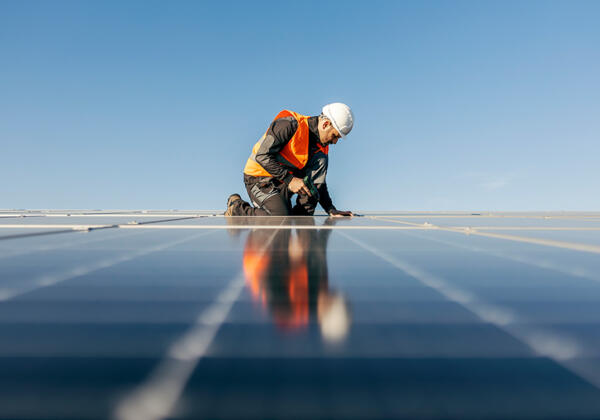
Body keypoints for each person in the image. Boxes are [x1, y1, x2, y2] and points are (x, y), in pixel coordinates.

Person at [225, 103, 355, 217]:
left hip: (284, 181)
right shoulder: (289, 125)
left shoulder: (322, 148)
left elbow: (318, 182)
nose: (335, 142)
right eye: (334, 136)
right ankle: (236, 208)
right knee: (279, 217)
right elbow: (262, 156)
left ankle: (295, 224)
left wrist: (330, 209)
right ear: (326, 124)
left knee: (306, 209)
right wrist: (290, 179)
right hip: (258, 178)